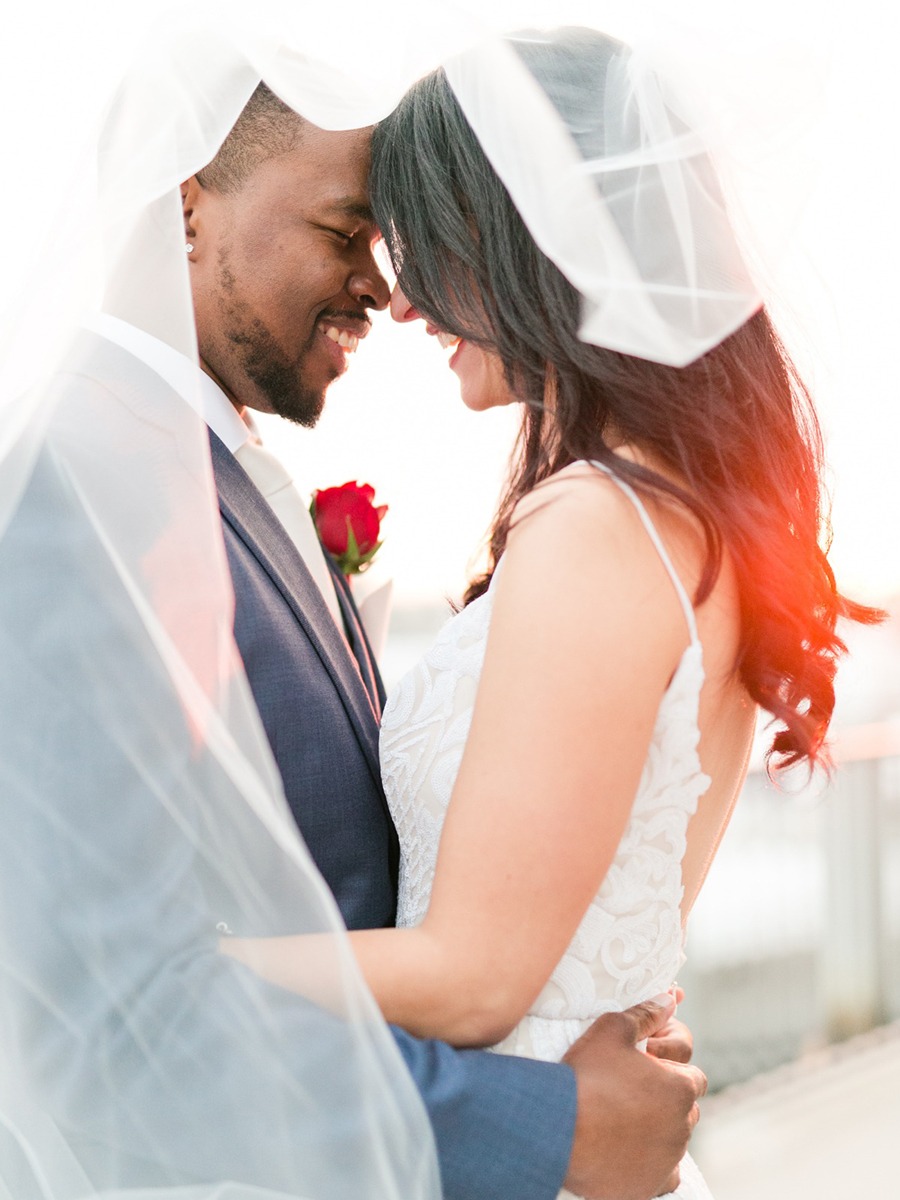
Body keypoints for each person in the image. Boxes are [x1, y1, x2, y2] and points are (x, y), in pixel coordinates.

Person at [0, 13, 704, 1200]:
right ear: (188, 205)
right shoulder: (75, 489)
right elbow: (111, 1026)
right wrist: (549, 1125)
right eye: (346, 230)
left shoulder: (209, 467)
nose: (384, 283)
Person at [221, 24, 881, 1200]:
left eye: (419, 242)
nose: (404, 300)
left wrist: (183, 969)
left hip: (530, 1152)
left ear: (515, 239)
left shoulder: (595, 527)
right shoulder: (689, 512)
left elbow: (474, 977)